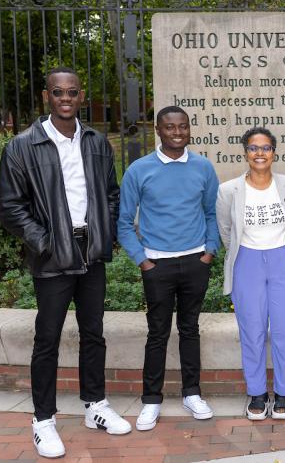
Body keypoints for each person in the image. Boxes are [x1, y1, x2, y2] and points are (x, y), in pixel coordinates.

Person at [0, 66, 130, 459]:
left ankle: (95, 406)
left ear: (81, 95)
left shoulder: (96, 142)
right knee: (48, 339)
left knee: (94, 333)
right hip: (52, 255)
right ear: (46, 97)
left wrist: (103, 233)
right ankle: (43, 420)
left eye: (72, 92)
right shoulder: (22, 146)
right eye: (58, 92)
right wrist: (46, 243)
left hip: (90, 251)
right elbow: (10, 207)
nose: (66, 98)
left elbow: (110, 193)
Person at [117, 105, 220, 431]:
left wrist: (210, 251)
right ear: (158, 131)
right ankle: (151, 400)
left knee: (190, 329)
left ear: (189, 129)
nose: (177, 133)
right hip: (156, 264)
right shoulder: (139, 170)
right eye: (170, 127)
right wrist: (142, 261)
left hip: (195, 261)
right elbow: (122, 222)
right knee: (157, 333)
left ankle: (192, 393)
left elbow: (211, 213)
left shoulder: (203, 167)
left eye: (183, 127)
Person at [216, 127, 285, 420]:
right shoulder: (229, 190)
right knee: (251, 331)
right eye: (254, 148)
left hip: (283, 261)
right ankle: (257, 393)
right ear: (246, 153)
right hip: (247, 263)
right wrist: (243, 253)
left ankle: (283, 393)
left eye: (265, 148)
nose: (260, 153)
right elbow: (226, 230)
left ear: (274, 152)